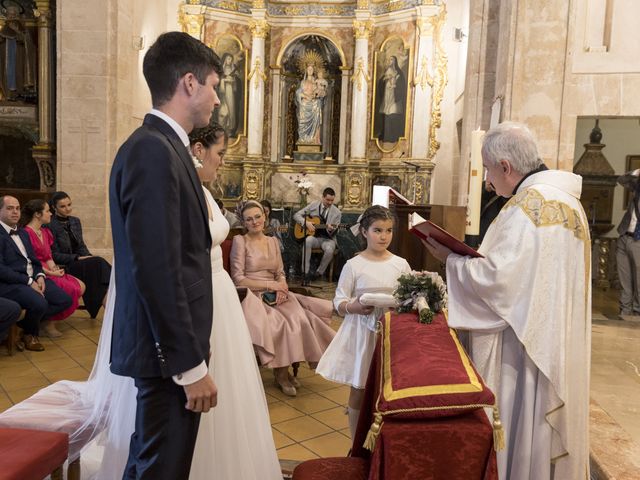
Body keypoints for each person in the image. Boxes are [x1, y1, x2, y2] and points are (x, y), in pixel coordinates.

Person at [422, 122, 591, 479]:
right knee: (537, 433)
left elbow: (498, 281)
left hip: (522, 348)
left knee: (519, 421)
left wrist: (449, 259)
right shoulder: (569, 204)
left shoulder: (528, 208)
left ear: (505, 166)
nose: (487, 180)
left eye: (487, 169)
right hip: (553, 340)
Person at [108, 32, 221, 479]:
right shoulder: (153, 151)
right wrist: (188, 366)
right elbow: (156, 269)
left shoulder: (164, 146)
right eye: (213, 85)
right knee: (160, 469)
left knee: (155, 464)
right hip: (166, 356)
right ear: (189, 83)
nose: (216, 98)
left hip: (166, 352)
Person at [185, 121, 282, 479]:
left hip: (221, 295)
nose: (222, 162)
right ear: (198, 151)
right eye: (220, 153)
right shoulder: (183, 192)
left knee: (230, 387)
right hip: (204, 293)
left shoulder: (206, 192)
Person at [316, 205, 410, 438]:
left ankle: (385, 437)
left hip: (391, 331)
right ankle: (356, 439)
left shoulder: (400, 264)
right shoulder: (354, 265)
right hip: (361, 332)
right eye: (377, 230)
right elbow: (339, 301)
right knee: (360, 386)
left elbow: (408, 295)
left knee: (388, 384)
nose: (384, 236)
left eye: (388, 231)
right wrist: (354, 307)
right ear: (364, 232)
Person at [230, 200, 335, 397]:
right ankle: (281, 374)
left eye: (258, 217)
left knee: (301, 319)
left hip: (277, 292)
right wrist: (271, 285)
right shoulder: (240, 242)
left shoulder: (272, 241)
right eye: (249, 219)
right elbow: (238, 278)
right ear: (244, 223)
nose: (255, 222)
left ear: (265, 216)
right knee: (278, 323)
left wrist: (283, 285)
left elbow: (279, 272)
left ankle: (283, 371)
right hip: (252, 294)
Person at [0, 195, 72, 352]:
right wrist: (28, 281)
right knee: (39, 303)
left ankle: (22, 327)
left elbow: (35, 260)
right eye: (10, 208)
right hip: (11, 283)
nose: (15, 212)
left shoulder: (23, 233)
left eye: (17, 208)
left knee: (65, 300)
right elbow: (2, 270)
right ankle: (30, 334)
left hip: (33, 277)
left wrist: (40, 276)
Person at [21, 199, 85, 337]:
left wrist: (55, 269)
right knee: (71, 289)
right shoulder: (25, 233)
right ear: (38, 214)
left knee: (80, 286)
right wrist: (50, 273)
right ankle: (45, 322)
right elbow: (30, 262)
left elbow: (48, 256)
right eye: (48, 211)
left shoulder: (45, 232)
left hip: (49, 269)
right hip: (37, 271)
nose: (51, 214)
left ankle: (46, 319)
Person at [48, 191, 111, 319]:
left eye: (69, 204)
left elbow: (81, 245)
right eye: (63, 206)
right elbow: (53, 255)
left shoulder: (75, 221)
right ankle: (110, 310)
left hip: (79, 262)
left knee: (96, 264)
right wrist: (78, 258)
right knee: (98, 264)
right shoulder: (49, 224)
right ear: (54, 208)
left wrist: (88, 256)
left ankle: (110, 311)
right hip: (64, 265)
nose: (68, 209)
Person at [294, 187, 341, 281]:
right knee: (307, 241)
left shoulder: (337, 212)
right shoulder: (314, 205)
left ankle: (319, 273)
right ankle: (305, 272)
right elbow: (296, 215)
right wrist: (306, 223)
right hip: (314, 237)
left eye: (332, 200)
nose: (330, 203)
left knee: (329, 250)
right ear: (322, 197)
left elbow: (336, 230)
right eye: (328, 200)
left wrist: (331, 230)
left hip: (328, 239)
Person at [615, 169, 640, 317]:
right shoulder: (637, 186)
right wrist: (637, 172)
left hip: (638, 240)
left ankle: (637, 312)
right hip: (624, 235)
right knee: (624, 276)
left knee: (638, 279)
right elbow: (621, 180)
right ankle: (625, 310)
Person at [374, 55, 406, 143]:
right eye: (389, 60)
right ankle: (385, 134)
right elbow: (381, 81)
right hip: (387, 94)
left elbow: (402, 86)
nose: (390, 62)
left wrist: (395, 85)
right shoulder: (387, 70)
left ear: (395, 61)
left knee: (393, 112)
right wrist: (385, 79)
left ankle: (393, 135)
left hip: (394, 95)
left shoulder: (398, 72)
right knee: (386, 112)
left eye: (392, 60)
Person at [295, 63, 325, 144]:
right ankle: (303, 139)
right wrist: (304, 96)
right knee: (302, 119)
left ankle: (314, 139)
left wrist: (319, 94)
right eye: (309, 69)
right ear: (306, 71)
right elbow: (298, 93)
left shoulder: (316, 82)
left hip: (313, 104)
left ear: (313, 71)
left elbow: (321, 93)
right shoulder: (303, 82)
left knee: (317, 103)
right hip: (304, 105)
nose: (310, 71)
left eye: (311, 69)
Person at [215, 53, 241, 137]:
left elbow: (237, 82)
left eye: (230, 59)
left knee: (231, 109)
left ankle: (230, 128)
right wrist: (224, 80)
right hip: (222, 93)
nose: (229, 61)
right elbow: (217, 81)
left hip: (230, 93)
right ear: (225, 60)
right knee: (223, 109)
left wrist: (233, 81)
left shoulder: (234, 70)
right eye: (228, 59)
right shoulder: (221, 70)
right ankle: (222, 128)